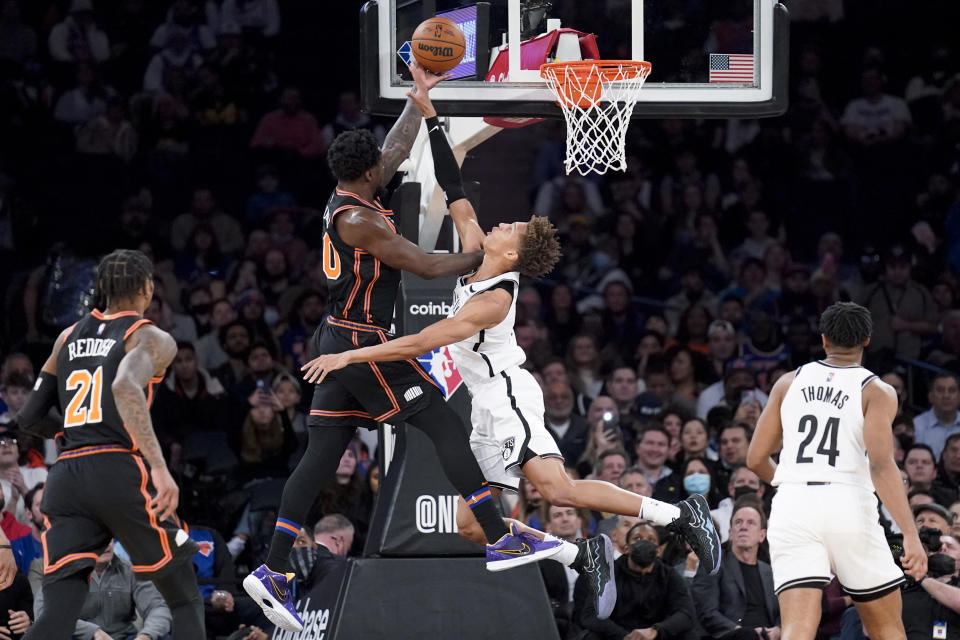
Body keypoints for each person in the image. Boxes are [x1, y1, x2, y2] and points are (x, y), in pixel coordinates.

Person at [301, 65, 723, 621]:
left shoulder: (494, 299)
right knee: (471, 525)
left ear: (514, 255)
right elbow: (455, 190)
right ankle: (581, 553)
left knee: (558, 490)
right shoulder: (479, 250)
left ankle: (678, 515)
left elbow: (423, 340)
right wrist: (430, 119)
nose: (504, 224)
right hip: (482, 406)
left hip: (507, 396)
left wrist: (348, 354)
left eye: (514, 230)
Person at [241, 65, 552, 634]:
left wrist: (420, 100)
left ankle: (273, 570)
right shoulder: (359, 220)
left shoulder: (353, 190)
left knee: (319, 454)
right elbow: (427, 264)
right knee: (442, 425)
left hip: (338, 332)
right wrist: (480, 264)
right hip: (361, 338)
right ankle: (501, 537)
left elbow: (396, 146)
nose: (386, 167)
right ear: (368, 175)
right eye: (380, 167)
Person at [13, 249, 205, 640]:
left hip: (66, 477)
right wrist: (160, 468)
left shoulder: (66, 337)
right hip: (118, 469)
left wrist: (69, 435)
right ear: (148, 288)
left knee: (57, 615)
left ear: (99, 289)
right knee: (184, 596)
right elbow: (124, 386)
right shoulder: (149, 335)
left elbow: (29, 416)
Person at [746, 301, 927, 640]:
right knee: (885, 626)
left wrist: (792, 485)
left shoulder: (788, 382)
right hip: (847, 503)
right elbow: (881, 464)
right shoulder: (877, 390)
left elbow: (755, 458)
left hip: (792, 504)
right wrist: (911, 534)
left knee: (798, 627)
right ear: (867, 341)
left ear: (824, 339)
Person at [574, 521, 698, 640]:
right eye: (637, 538)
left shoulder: (669, 575)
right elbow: (590, 615)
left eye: (651, 540)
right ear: (627, 548)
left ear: (658, 551)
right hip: (617, 636)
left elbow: (686, 613)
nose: (644, 542)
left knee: (688, 635)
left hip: (655, 635)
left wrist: (656, 630)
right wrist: (625, 636)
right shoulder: (608, 573)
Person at [35, 540, 170, 640]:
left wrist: (146, 635)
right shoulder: (64, 572)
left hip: (123, 637)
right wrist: (93, 632)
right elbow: (43, 612)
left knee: (163, 636)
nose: (106, 544)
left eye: (108, 537)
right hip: (81, 638)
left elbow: (158, 607)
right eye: (98, 538)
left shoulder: (130, 570)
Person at [692, 500, 780, 640]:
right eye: (738, 522)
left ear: (762, 535)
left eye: (751, 523)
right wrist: (742, 633)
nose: (743, 527)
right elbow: (706, 612)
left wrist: (778, 629)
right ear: (731, 533)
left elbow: (784, 611)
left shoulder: (771, 572)